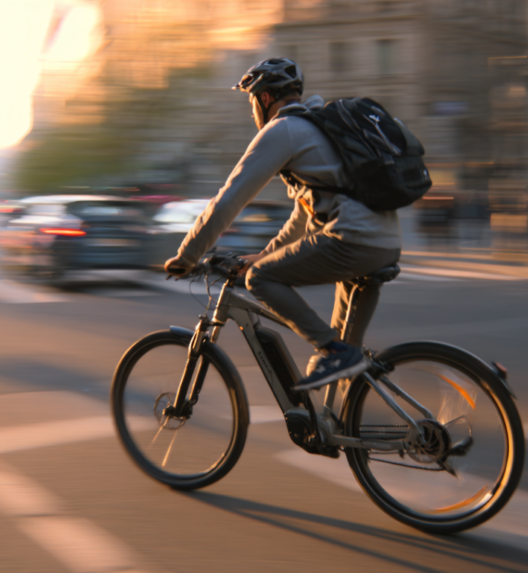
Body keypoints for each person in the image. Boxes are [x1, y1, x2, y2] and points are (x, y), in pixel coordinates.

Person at [164, 57, 402, 389]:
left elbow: (229, 199)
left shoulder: (282, 130)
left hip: (354, 240)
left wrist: (186, 256)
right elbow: (303, 218)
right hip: (385, 241)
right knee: (345, 366)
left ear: (263, 99)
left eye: (251, 103)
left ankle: (335, 351)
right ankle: (347, 429)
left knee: (261, 281)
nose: (251, 114)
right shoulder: (318, 127)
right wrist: (263, 255)